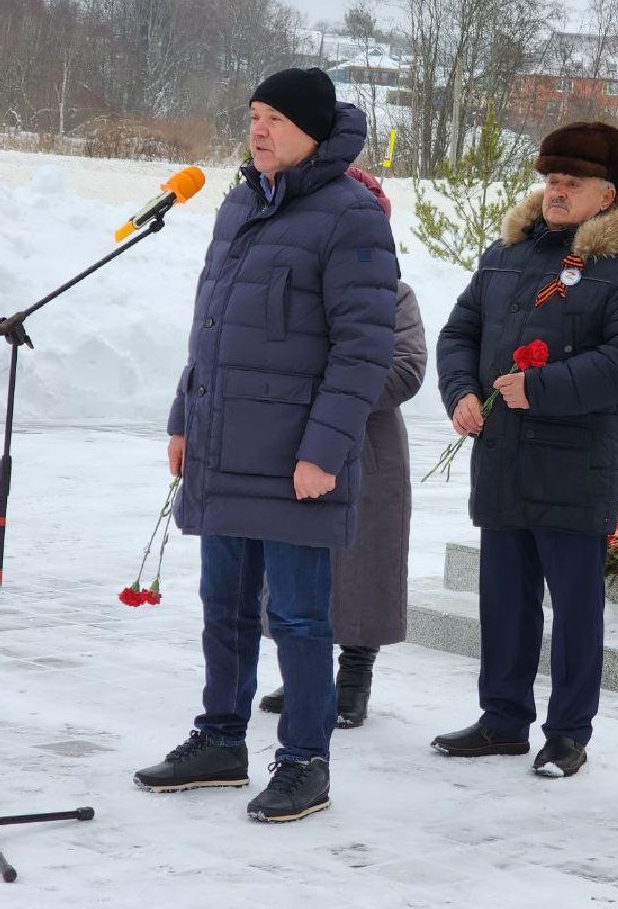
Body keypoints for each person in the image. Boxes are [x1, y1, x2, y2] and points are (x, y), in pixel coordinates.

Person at [133, 68, 397, 824]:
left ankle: (304, 761)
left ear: (312, 131)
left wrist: (324, 451)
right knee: (223, 606)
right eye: (254, 114)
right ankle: (221, 738)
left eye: (276, 117)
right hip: (224, 443)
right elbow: (210, 326)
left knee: (300, 620)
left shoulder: (351, 215)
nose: (258, 129)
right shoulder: (241, 203)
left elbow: (363, 350)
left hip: (295, 460)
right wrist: (184, 417)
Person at [431, 121, 618, 777]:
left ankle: (568, 732)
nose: (556, 192)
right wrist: (460, 392)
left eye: (572, 183)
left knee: (575, 608)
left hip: (574, 464)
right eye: (552, 180)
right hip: (503, 457)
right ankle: (502, 719)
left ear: (607, 195)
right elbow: (459, 332)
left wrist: (540, 388)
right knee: (504, 600)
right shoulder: (506, 255)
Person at [259, 166, 427, 728]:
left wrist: (335, 395)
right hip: (296, 446)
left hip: (367, 450)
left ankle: (355, 677)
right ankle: (302, 673)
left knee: (364, 565)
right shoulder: (298, 290)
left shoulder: (394, 296)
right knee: (295, 564)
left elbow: (407, 368)